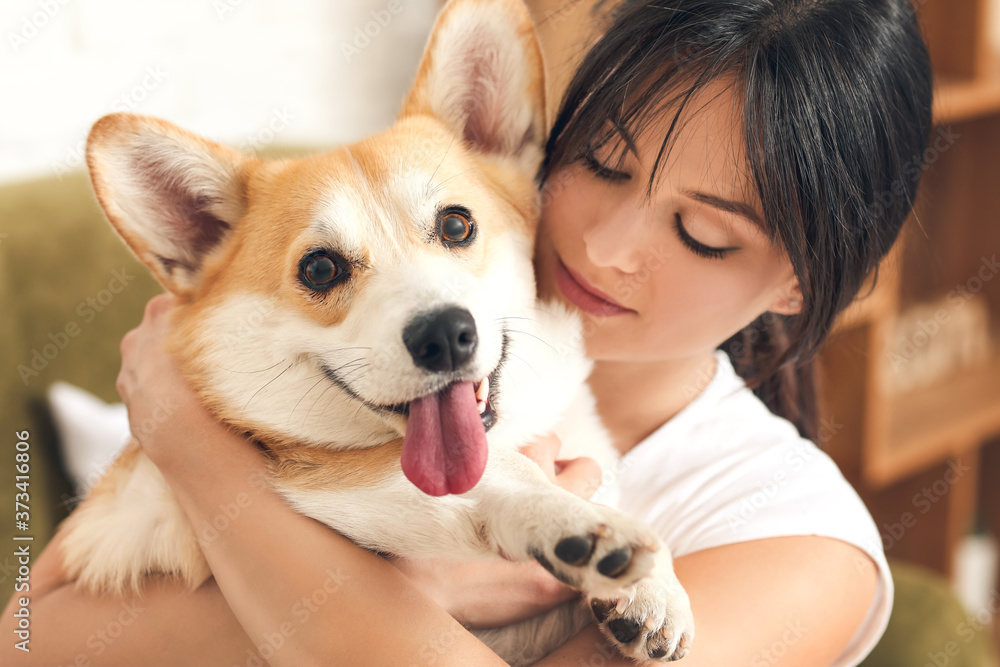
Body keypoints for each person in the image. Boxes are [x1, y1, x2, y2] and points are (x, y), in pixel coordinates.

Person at [2, 0, 934, 664]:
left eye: (702, 232)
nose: (606, 247)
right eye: (603, 163)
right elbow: (24, 639)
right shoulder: (302, 395)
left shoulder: (795, 536)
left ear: (804, 283)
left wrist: (193, 449)